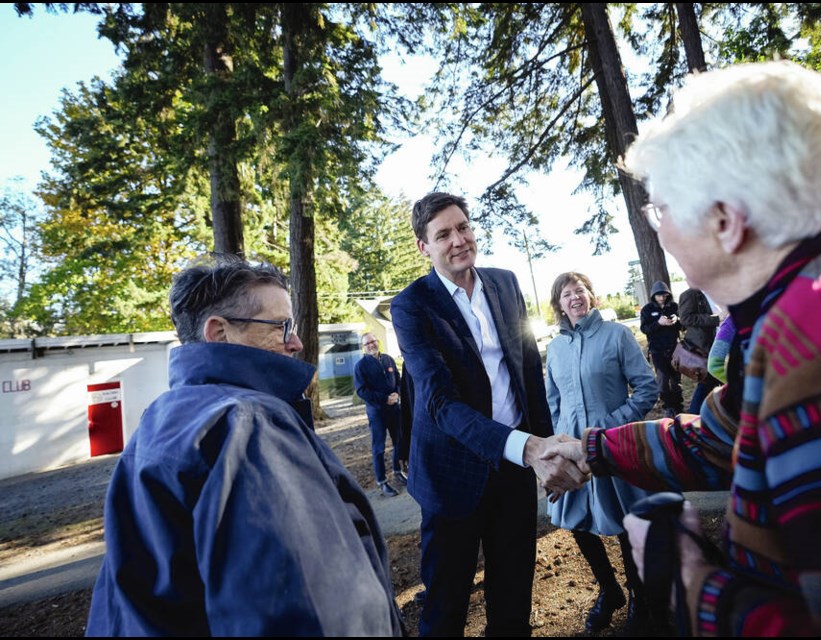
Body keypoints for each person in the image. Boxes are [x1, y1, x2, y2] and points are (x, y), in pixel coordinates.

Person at [547, 60, 821, 636]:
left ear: (724, 221)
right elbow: (724, 436)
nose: (661, 230)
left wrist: (687, 579)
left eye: (661, 210)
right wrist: (591, 449)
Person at [85, 255, 404, 636]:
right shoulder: (247, 424)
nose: (297, 342)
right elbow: (307, 610)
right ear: (219, 333)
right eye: (282, 327)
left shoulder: (160, 419)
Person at [390, 191, 589, 637]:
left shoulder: (504, 282)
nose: (458, 240)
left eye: (463, 227)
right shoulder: (410, 306)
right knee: (446, 606)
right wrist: (530, 447)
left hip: (516, 467)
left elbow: (528, 371)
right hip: (450, 474)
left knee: (514, 599)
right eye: (443, 234)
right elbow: (439, 403)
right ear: (424, 247)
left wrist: (547, 450)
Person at [544, 271, 659, 635]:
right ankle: (609, 591)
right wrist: (556, 444)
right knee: (576, 522)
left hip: (611, 447)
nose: (575, 298)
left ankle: (640, 595)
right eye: (567, 294)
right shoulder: (555, 348)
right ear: (558, 305)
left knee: (625, 524)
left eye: (580, 291)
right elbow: (552, 400)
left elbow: (645, 388)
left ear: (591, 296)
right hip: (571, 452)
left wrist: (609, 429)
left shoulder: (617, 335)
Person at [353, 331, 407, 497]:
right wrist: (385, 399)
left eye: (373, 341)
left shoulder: (388, 359)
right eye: (367, 343)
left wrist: (397, 394)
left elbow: (398, 379)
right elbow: (362, 391)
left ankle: (398, 471)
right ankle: (382, 481)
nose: (371, 345)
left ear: (377, 342)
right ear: (364, 347)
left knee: (399, 441)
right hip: (377, 412)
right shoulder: (361, 366)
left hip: (394, 410)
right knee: (379, 447)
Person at [639, 280, 684, 418]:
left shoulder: (674, 306)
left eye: (664, 295)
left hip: (674, 349)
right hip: (657, 350)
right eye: (659, 295)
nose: (662, 298)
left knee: (676, 380)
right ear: (653, 296)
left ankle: (679, 406)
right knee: (663, 380)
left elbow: (683, 326)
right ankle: (668, 406)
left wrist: (678, 320)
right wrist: (658, 323)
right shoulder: (647, 310)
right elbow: (644, 329)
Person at [677, 287, 723, 413]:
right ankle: (693, 417)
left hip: (721, 343)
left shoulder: (716, 290)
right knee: (707, 382)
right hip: (705, 347)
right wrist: (716, 319)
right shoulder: (690, 294)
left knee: (715, 382)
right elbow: (686, 318)